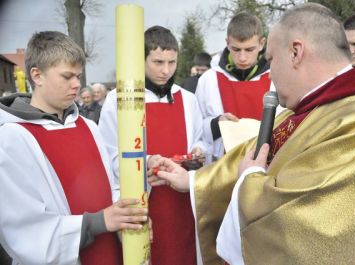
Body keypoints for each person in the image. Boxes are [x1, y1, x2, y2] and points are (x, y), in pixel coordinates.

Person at [148, 3, 355, 264]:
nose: (270, 74)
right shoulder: (311, 109)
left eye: (270, 59)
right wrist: (192, 180)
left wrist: (250, 179)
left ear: (295, 52)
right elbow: (254, 153)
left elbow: (305, 226)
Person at [0, 31, 149, 265]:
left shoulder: (89, 126)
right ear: (37, 75)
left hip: (110, 253)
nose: (77, 85)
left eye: (78, 76)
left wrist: (129, 216)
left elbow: (110, 186)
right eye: (67, 76)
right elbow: (26, 231)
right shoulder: (11, 138)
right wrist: (99, 222)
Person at [99, 26, 206, 265]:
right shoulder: (118, 99)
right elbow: (108, 156)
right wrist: (145, 162)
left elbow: (199, 140)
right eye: (158, 62)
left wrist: (199, 153)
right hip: (143, 205)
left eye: (171, 62)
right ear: (141, 59)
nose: (165, 71)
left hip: (182, 204)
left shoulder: (187, 99)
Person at [195, 11, 273, 160]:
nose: (242, 57)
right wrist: (217, 123)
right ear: (227, 43)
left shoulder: (275, 78)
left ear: (262, 44)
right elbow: (196, 128)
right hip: (222, 165)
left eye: (249, 49)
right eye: (236, 49)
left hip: (266, 164)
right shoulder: (209, 79)